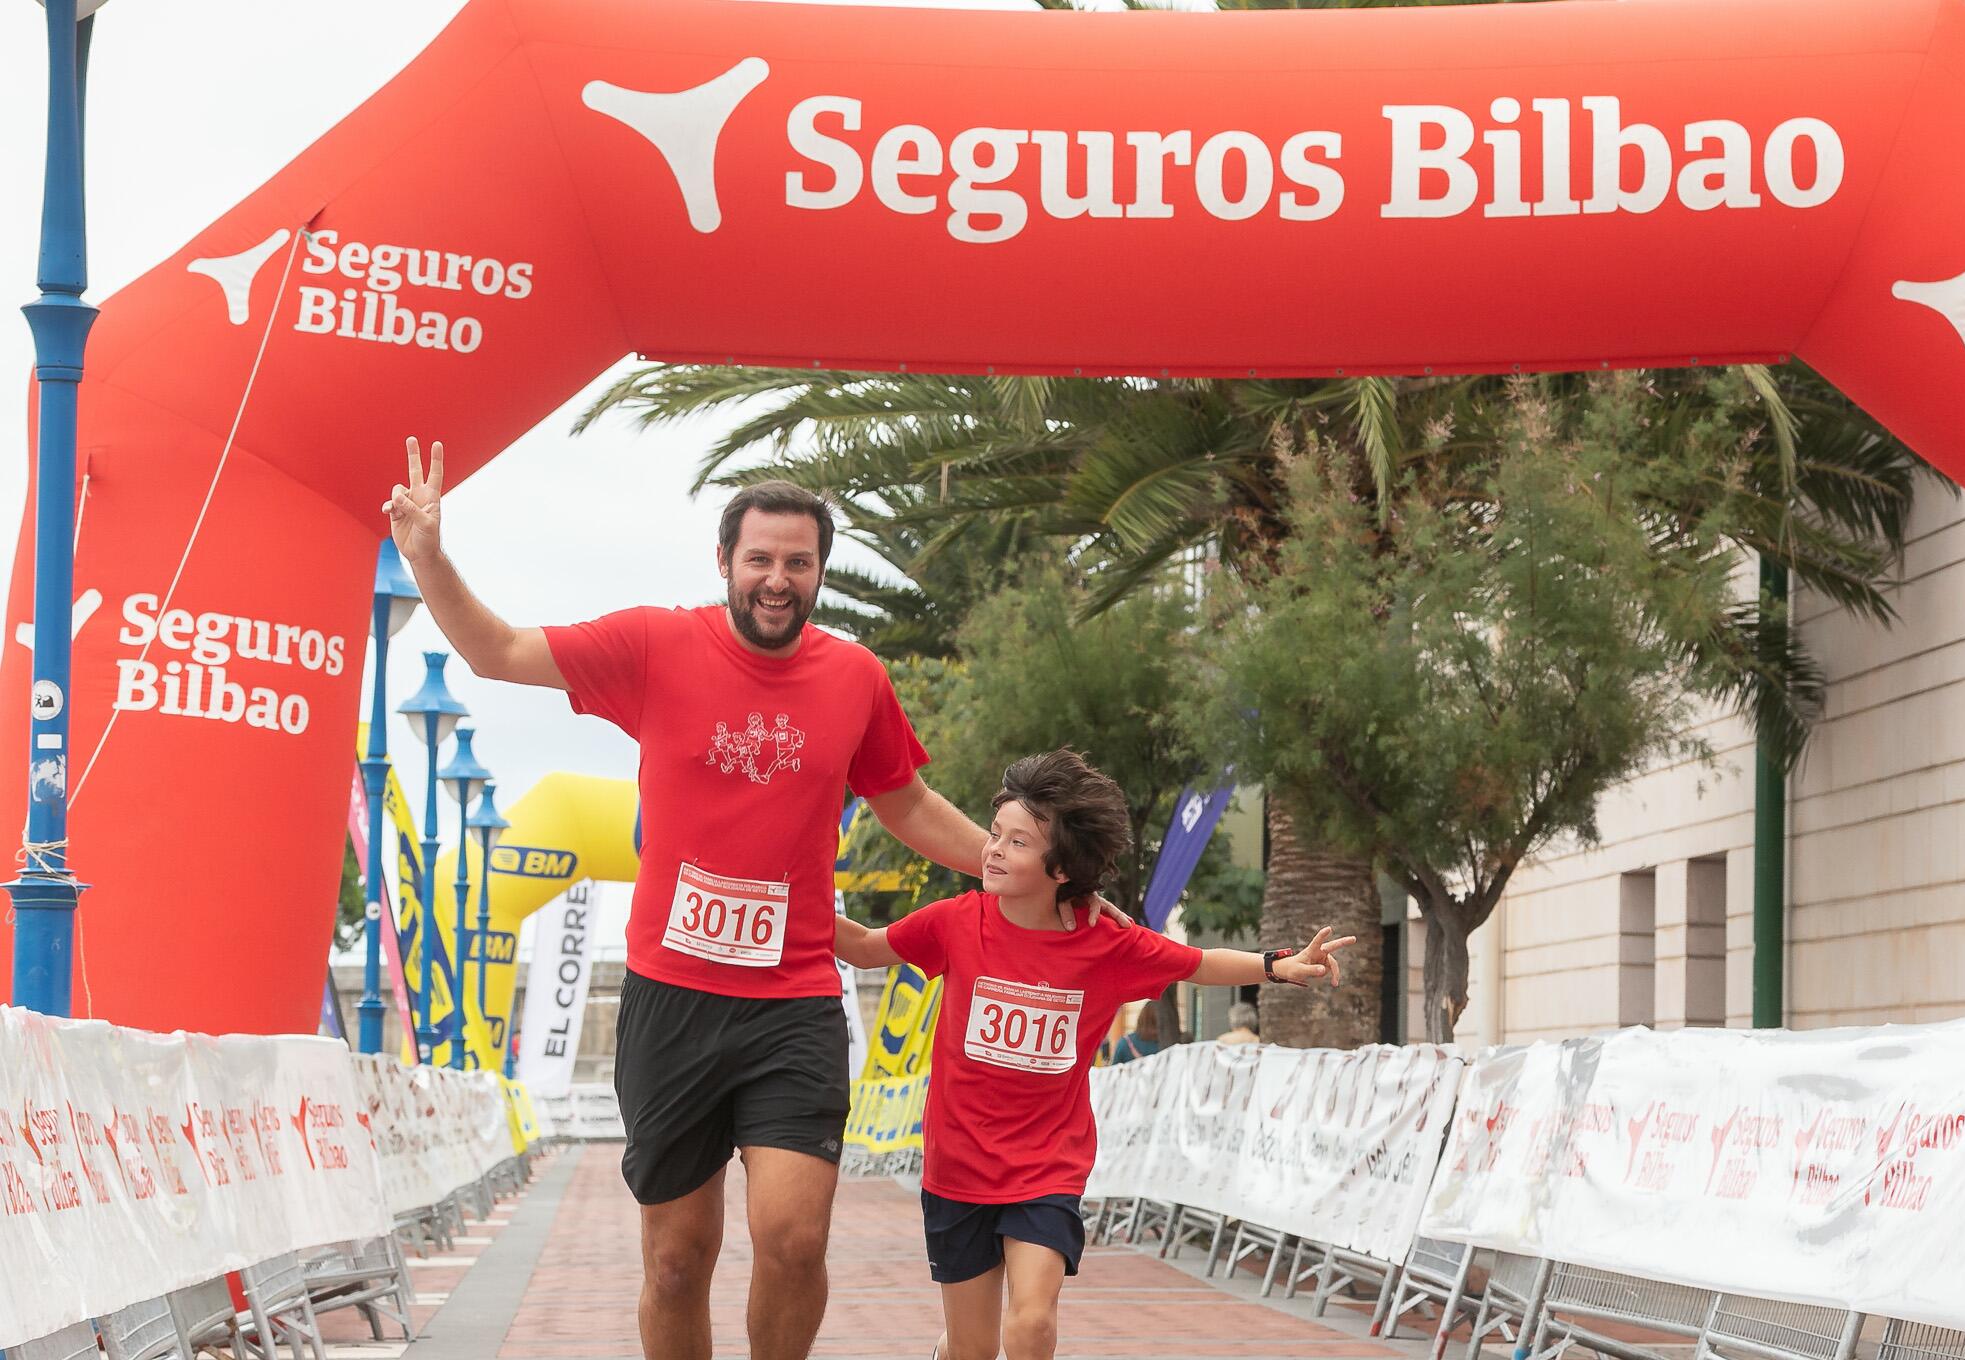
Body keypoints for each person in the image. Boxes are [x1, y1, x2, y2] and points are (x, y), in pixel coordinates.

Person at [384, 440, 1127, 1360]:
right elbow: (497, 652)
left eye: (798, 563)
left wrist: (1039, 882)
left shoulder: (856, 678)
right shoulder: (653, 645)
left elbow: (905, 803)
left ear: (818, 571)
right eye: (761, 560)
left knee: (793, 1239)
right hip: (671, 1002)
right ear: (727, 563)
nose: (778, 579)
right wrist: (426, 553)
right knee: (676, 1260)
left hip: (794, 1003)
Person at [833, 749, 1354, 1360]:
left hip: (1045, 1167)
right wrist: (791, 895)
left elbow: (1196, 961)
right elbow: (866, 948)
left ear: (1061, 868)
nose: (993, 850)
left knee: (1031, 1326)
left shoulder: (1107, 943)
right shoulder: (955, 922)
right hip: (959, 1167)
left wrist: (1277, 966)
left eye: (1017, 842)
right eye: (995, 833)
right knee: (972, 1350)